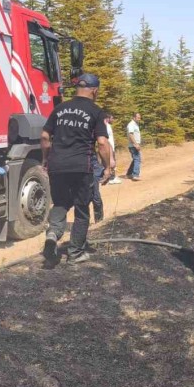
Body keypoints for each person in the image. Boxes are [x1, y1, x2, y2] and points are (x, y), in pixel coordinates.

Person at [40, 73, 113, 268]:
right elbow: (102, 143)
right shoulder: (97, 112)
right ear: (95, 90)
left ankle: (53, 234)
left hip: (57, 165)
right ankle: (75, 253)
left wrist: (46, 160)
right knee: (82, 210)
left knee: (61, 203)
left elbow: (45, 137)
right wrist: (107, 167)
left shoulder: (60, 109)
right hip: (82, 166)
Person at [104, 114, 122, 184]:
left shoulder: (109, 126)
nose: (113, 120)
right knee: (111, 163)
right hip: (109, 148)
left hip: (112, 147)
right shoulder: (106, 126)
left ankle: (113, 176)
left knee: (113, 162)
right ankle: (111, 178)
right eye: (112, 118)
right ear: (108, 118)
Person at [126, 112, 143, 181]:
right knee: (137, 159)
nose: (139, 119)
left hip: (134, 144)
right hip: (133, 145)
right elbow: (130, 134)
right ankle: (135, 175)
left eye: (140, 117)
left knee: (135, 159)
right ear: (134, 117)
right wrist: (136, 144)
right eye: (138, 117)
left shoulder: (135, 124)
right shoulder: (131, 124)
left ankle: (129, 174)